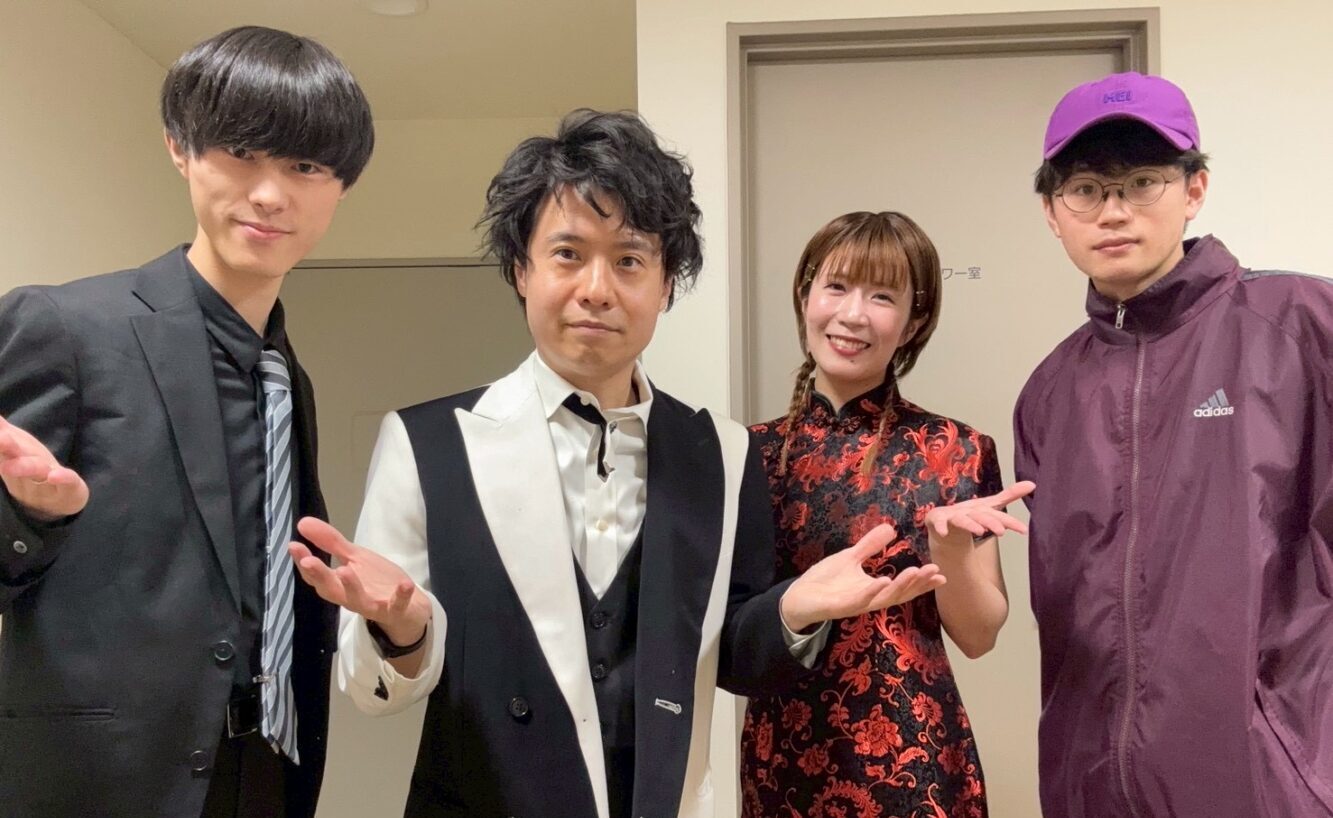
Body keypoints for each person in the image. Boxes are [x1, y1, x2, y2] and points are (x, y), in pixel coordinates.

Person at [288, 110, 943, 818]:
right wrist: (403, 630)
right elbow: (371, 690)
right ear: (522, 270)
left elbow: (730, 653)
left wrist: (794, 609)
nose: (597, 288)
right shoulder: (427, 443)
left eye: (629, 261)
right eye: (568, 254)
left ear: (665, 286)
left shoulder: (722, 452)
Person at [0, 26, 374, 818]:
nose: (269, 194)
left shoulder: (285, 377)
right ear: (180, 147)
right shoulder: (64, 328)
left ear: (341, 185)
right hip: (104, 784)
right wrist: (30, 516)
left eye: (305, 167)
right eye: (240, 152)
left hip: (266, 771)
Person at [1016, 71, 1333, 818]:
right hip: (1091, 789)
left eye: (1142, 182)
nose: (1113, 210)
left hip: (1272, 783)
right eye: (1085, 189)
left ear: (1193, 190)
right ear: (1051, 213)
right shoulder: (1049, 392)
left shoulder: (1301, 326)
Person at [738, 211, 1032, 818]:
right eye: (836, 287)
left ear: (913, 321)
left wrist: (949, 549)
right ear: (805, 295)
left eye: (882, 296)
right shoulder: (747, 455)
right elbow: (729, 634)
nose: (853, 315)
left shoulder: (956, 449)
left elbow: (979, 637)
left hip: (914, 756)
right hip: (785, 758)